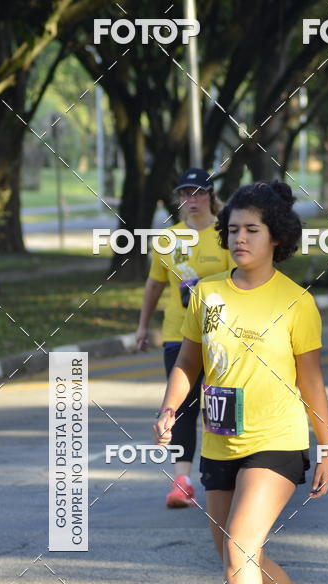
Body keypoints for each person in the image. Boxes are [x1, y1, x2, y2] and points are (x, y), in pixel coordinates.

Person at [154, 181, 328, 584]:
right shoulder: (207, 294)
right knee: (239, 556)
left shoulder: (296, 302)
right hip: (218, 442)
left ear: (275, 236)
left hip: (276, 440)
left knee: (239, 547)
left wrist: (326, 447)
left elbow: (312, 383)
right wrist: (170, 406)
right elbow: (189, 361)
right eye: (233, 229)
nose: (239, 238)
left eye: (251, 230)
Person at [136, 168, 232, 508]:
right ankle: (182, 480)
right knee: (182, 407)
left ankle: (226, 475)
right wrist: (143, 326)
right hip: (178, 334)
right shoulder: (168, 239)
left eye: (198, 192)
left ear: (210, 195)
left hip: (221, 335)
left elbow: (240, 280)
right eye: (184, 194)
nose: (191, 200)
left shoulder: (226, 234)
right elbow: (154, 285)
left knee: (222, 407)